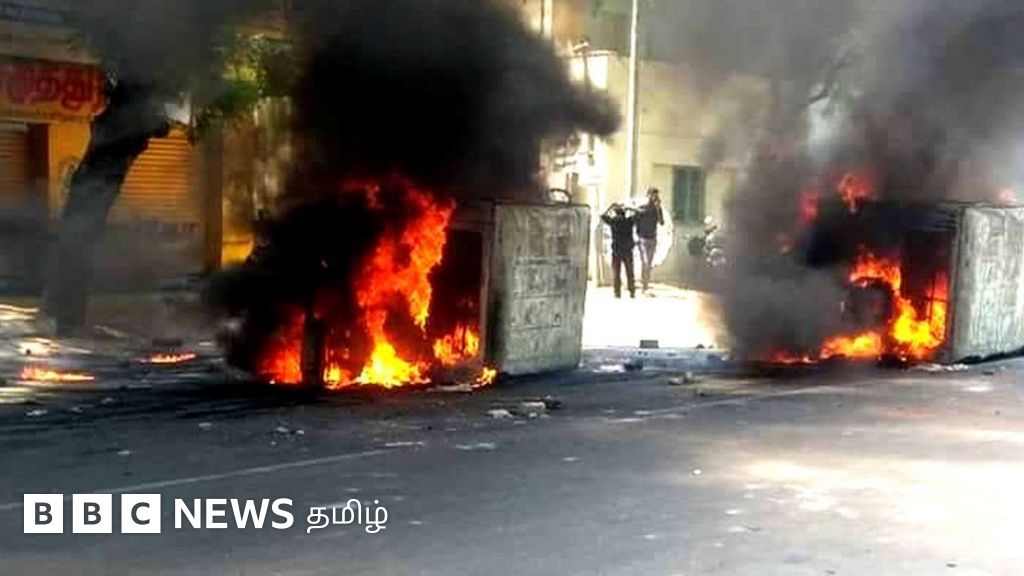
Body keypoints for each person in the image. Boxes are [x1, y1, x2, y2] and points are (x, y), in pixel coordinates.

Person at [601, 203, 637, 299]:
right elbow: (639, 215)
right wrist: (630, 208)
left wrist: (611, 207)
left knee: (616, 273)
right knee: (630, 272)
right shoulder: (628, 221)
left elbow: (603, 216)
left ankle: (617, 292)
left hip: (616, 250)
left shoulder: (613, 222)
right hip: (627, 250)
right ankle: (632, 291)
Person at [635, 187, 665, 292]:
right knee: (646, 262)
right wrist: (638, 235)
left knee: (648, 263)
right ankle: (644, 284)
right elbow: (636, 222)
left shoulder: (657, 209)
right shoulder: (641, 208)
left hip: (652, 239)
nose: (654, 197)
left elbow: (661, 222)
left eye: (656, 195)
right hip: (643, 239)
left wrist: (658, 208)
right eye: (652, 194)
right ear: (648, 195)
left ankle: (645, 284)